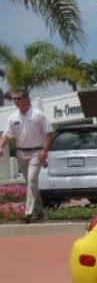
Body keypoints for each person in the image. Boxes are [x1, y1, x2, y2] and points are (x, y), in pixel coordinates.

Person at [0, 89, 54, 223]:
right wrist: (1, 146)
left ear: (25, 99)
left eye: (18, 98)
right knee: (31, 183)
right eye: (14, 99)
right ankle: (39, 211)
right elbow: (7, 134)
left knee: (31, 179)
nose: (16, 101)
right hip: (21, 153)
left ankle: (28, 213)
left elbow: (49, 133)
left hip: (36, 152)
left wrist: (45, 149)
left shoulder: (38, 115)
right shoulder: (13, 117)